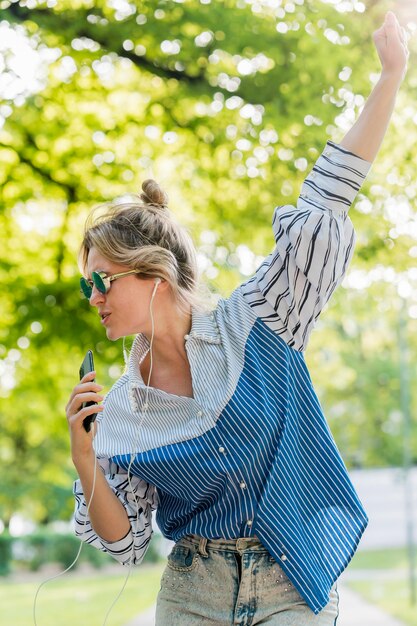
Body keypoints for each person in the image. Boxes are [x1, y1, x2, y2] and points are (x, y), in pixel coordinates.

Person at [66, 12, 408, 625]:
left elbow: (325, 199)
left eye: (102, 280)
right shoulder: (119, 412)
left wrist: (391, 75)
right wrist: (85, 459)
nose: (92, 296)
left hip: (292, 582)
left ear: (155, 274)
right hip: (192, 593)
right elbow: (124, 543)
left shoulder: (259, 320)